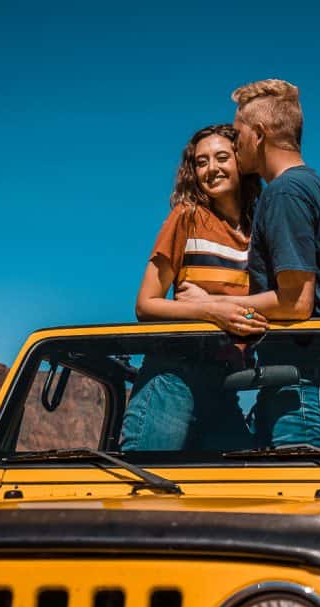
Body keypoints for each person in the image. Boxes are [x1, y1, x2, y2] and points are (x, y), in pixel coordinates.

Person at [178, 79, 320, 448]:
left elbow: (296, 302)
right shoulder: (315, 189)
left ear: (258, 134)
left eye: (239, 134)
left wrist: (206, 306)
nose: (236, 143)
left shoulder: (285, 193)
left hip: (303, 382)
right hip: (307, 377)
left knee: (293, 500)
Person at [120, 124, 268, 452]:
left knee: (238, 484)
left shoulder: (258, 234)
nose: (211, 168)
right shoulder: (187, 217)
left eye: (221, 157)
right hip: (172, 378)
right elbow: (146, 304)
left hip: (225, 381)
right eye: (201, 162)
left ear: (241, 161)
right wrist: (212, 309)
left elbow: (268, 305)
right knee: (150, 486)